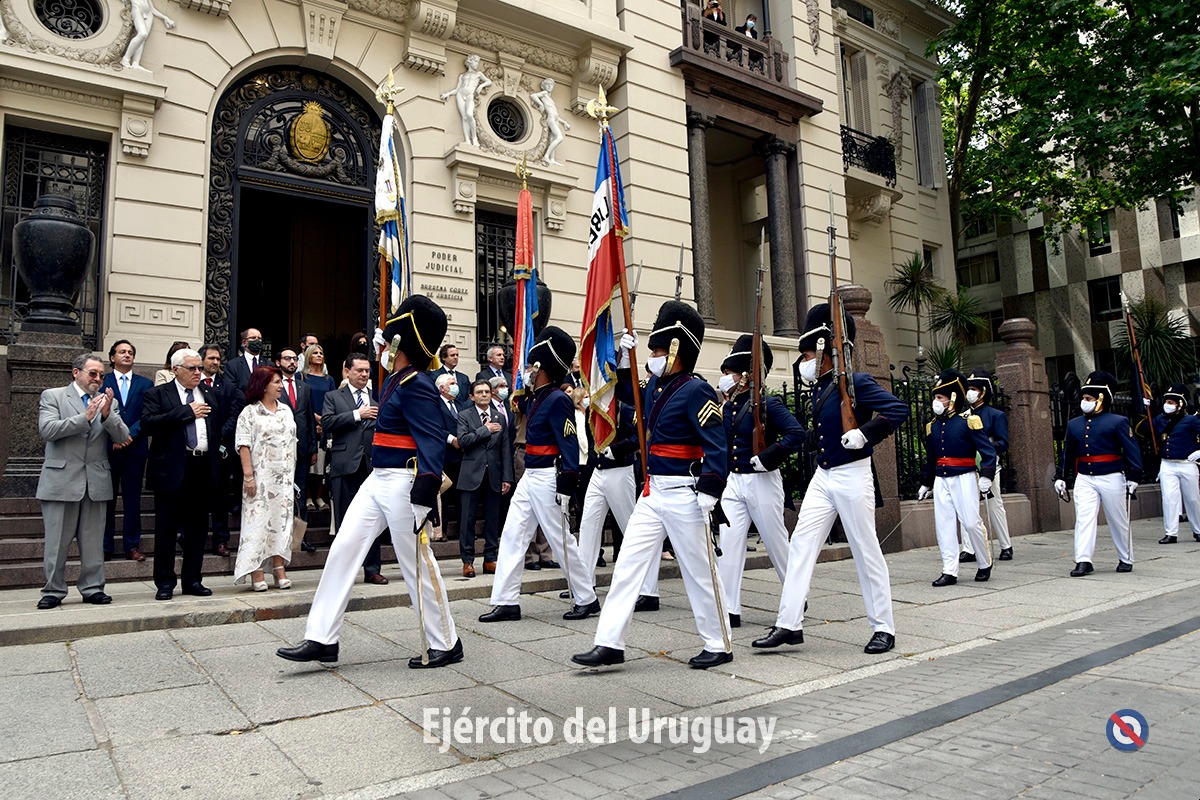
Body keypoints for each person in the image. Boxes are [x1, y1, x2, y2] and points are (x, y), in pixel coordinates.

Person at [277, 295, 463, 668]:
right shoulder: (396, 380)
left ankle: (446, 642)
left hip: (403, 483)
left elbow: (431, 441)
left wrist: (424, 492)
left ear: (401, 344)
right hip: (378, 479)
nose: (382, 346)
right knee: (344, 548)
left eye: (389, 340)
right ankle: (322, 638)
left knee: (416, 562)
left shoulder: (416, 384)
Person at [573, 301, 731, 670]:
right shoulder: (657, 387)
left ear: (677, 350)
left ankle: (718, 642)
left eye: (658, 350)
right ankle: (609, 642)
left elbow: (716, 444)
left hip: (685, 493)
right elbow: (625, 394)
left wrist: (711, 490)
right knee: (628, 566)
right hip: (653, 492)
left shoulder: (696, 390)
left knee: (699, 572)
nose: (653, 357)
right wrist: (622, 359)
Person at [752, 303, 909, 655]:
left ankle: (883, 627)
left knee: (865, 550)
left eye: (808, 353)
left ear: (824, 350)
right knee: (801, 545)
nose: (804, 361)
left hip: (853, 474)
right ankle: (789, 623)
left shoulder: (857, 382)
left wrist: (865, 433)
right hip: (824, 476)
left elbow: (898, 410)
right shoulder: (822, 387)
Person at [480, 326, 600, 623]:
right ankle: (507, 601)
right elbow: (519, 408)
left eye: (533, 366)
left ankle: (586, 598)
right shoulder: (538, 397)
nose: (529, 371)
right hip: (530, 477)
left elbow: (568, 442)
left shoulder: (557, 399)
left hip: (547, 477)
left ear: (543, 368)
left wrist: (567, 480)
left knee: (560, 539)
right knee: (513, 535)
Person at [716, 335, 804, 628]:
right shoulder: (728, 407)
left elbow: (796, 434)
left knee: (776, 543)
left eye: (730, 372)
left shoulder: (768, 404)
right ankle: (729, 608)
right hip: (734, 481)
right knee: (729, 544)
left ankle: (796, 594)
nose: (725, 377)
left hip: (762, 480)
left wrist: (767, 457)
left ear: (745, 375)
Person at [35, 354, 129, 609]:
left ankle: (93, 588)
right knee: (56, 543)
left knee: (93, 542)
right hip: (61, 480)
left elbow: (123, 436)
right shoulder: (53, 396)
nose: (97, 379)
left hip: (95, 482)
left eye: (101, 375)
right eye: (92, 373)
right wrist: (84, 418)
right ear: (76, 372)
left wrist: (107, 415)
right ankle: (53, 590)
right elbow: (47, 430)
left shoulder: (108, 401)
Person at [141, 348, 220, 601]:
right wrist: (187, 412)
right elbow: (148, 424)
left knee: (198, 529)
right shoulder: (158, 394)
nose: (198, 373)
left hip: (202, 466)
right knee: (166, 528)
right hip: (172, 468)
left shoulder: (209, 393)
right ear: (176, 370)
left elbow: (217, 427)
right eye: (192, 368)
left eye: (200, 368)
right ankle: (165, 582)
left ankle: (192, 580)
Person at [1054, 371, 1143, 576]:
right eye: (1084, 398)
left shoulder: (1117, 421)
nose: (1084, 402)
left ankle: (1125, 557)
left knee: (1117, 519)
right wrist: (1060, 476)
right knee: (1084, 519)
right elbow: (1067, 453)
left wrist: (1134, 476)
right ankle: (1083, 560)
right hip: (1085, 477)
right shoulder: (1074, 424)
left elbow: (1131, 449)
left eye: (1089, 398)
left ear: (1101, 399)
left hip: (1111, 476)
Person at [917, 370, 997, 586]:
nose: (936, 401)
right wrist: (926, 483)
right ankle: (949, 570)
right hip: (941, 480)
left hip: (964, 477)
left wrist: (986, 475)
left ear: (952, 398)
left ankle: (984, 562)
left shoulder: (968, 421)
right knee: (944, 525)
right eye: (935, 397)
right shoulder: (933, 425)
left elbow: (988, 451)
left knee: (971, 523)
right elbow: (931, 457)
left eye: (939, 397)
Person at [323, 354, 388, 584]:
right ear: (347, 371)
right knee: (344, 521)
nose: (363, 374)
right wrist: (357, 415)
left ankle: (372, 569)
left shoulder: (376, 399)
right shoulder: (334, 396)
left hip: (371, 466)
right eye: (359, 370)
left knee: (372, 519)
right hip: (344, 464)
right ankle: (343, 571)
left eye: (367, 371)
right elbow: (327, 422)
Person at [234, 365, 296, 591]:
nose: (281, 386)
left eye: (281, 382)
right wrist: (248, 477)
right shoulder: (249, 412)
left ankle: (279, 568)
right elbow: (243, 445)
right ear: (263, 385)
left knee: (281, 523)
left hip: (284, 479)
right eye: (276, 382)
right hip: (260, 478)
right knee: (258, 524)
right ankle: (256, 569)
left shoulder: (286, 410)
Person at [576, 395, 642, 597]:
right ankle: (585, 586)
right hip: (597, 470)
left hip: (620, 469)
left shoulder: (627, 409)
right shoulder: (593, 410)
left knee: (629, 527)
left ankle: (645, 587)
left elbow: (640, 436)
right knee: (588, 527)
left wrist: (618, 450)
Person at [102, 339, 153, 562]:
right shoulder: (103, 381)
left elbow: (148, 414)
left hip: (135, 449)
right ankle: (105, 545)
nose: (127, 355)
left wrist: (127, 436)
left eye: (130, 352)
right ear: (112, 357)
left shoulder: (145, 383)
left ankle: (132, 545)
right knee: (107, 499)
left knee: (133, 499)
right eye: (122, 352)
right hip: (107, 448)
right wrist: (116, 437)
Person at [457, 380, 513, 577]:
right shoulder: (464, 415)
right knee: (467, 520)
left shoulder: (499, 417)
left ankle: (490, 558)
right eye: (479, 392)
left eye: (487, 392)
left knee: (492, 519)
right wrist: (485, 430)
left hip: (494, 475)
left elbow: (505, 449)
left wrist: (507, 477)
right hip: (471, 474)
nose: (484, 395)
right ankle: (467, 561)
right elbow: (463, 441)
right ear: (472, 396)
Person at [958, 369, 1014, 561]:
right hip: (967, 465)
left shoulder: (996, 415)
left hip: (988, 466)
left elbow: (1003, 443)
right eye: (968, 388)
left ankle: (1005, 546)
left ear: (983, 392)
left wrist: (985, 447)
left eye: (974, 389)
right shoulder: (962, 416)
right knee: (966, 506)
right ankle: (969, 548)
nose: (970, 392)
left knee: (994, 506)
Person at [198, 343, 235, 556]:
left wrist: (220, 435)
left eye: (218, 359)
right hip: (197, 451)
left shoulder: (227, 386)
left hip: (220, 450)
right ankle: (192, 539)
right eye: (211, 358)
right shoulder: (193, 385)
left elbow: (234, 413)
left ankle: (221, 540)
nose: (215, 362)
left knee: (220, 498)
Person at [1154, 384, 1200, 544]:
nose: (1167, 405)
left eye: (1171, 402)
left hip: (1186, 463)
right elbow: (1144, 429)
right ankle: (1171, 533)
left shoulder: (1191, 420)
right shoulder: (1160, 420)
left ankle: (1198, 530)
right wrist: (1144, 408)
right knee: (1169, 498)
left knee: (1192, 499)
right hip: (1167, 464)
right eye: (1166, 401)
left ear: (1180, 404)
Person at [278, 348, 318, 526]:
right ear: (278, 362)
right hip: (280, 448)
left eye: (294, 359)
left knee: (300, 489)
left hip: (302, 448)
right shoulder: (273, 387)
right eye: (287, 358)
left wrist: (313, 448)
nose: (292, 362)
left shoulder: (304, 387)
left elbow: (309, 418)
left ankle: (299, 535)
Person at [302, 344, 336, 512]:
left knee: (322, 464)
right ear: (308, 356)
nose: (318, 355)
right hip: (308, 424)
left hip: (326, 426)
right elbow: (302, 401)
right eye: (315, 353)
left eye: (321, 353)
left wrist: (325, 422)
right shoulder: (302, 377)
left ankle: (319, 497)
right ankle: (308, 497)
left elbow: (333, 400)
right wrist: (315, 419)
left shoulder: (329, 379)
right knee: (308, 465)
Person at [434, 373, 464, 541]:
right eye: (452, 383)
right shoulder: (435, 404)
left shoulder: (460, 404)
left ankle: (462, 529)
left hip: (462, 456)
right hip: (444, 455)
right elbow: (434, 426)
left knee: (462, 494)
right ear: (442, 388)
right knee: (444, 493)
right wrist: (451, 439)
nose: (455, 386)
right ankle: (442, 530)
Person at [440, 53, 493, 148]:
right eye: (475, 61)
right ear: (470, 61)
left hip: (469, 95)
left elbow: (489, 81)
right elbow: (457, 89)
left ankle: (474, 139)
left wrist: (481, 86)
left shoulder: (478, 74)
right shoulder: (462, 76)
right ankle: (467, 140)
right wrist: (448, 94)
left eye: (478, 62)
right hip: (460, 94)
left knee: (469, 114)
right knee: (464, 117)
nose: (477, 64)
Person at [121, 0, 175, 71]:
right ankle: (125, 59)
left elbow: (152, 9)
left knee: (142, 40)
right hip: (137, 9)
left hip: (149, 14)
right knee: (143, 34)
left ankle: (135, 63)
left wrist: (165, 18)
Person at [529, 78, 571, 166]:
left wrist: (564, 123)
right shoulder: (544, 93)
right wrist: (541, 104)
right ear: (543, 86)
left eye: (551, 84)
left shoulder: (550, 98)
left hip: (555, 118)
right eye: (547, 84)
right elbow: (533, 96)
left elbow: (556, 115)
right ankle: (546, 156)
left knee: (553, 139)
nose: (549, 86)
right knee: (559, 137)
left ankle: (552, 159)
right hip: (551, 118)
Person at [430, 344, 472, 409]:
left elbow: (471, 395)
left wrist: (464, 407)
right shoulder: (434, 375)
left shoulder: (464, 378)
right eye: (452, 355)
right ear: (444, 357)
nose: (455, 357)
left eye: (457, 355)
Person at [225, 327, 265, 394]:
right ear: (244, 342)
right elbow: (231, 389)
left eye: (259, 338)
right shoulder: (232, 365)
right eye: (253, 338)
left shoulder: (269, 364)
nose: (257, 340)